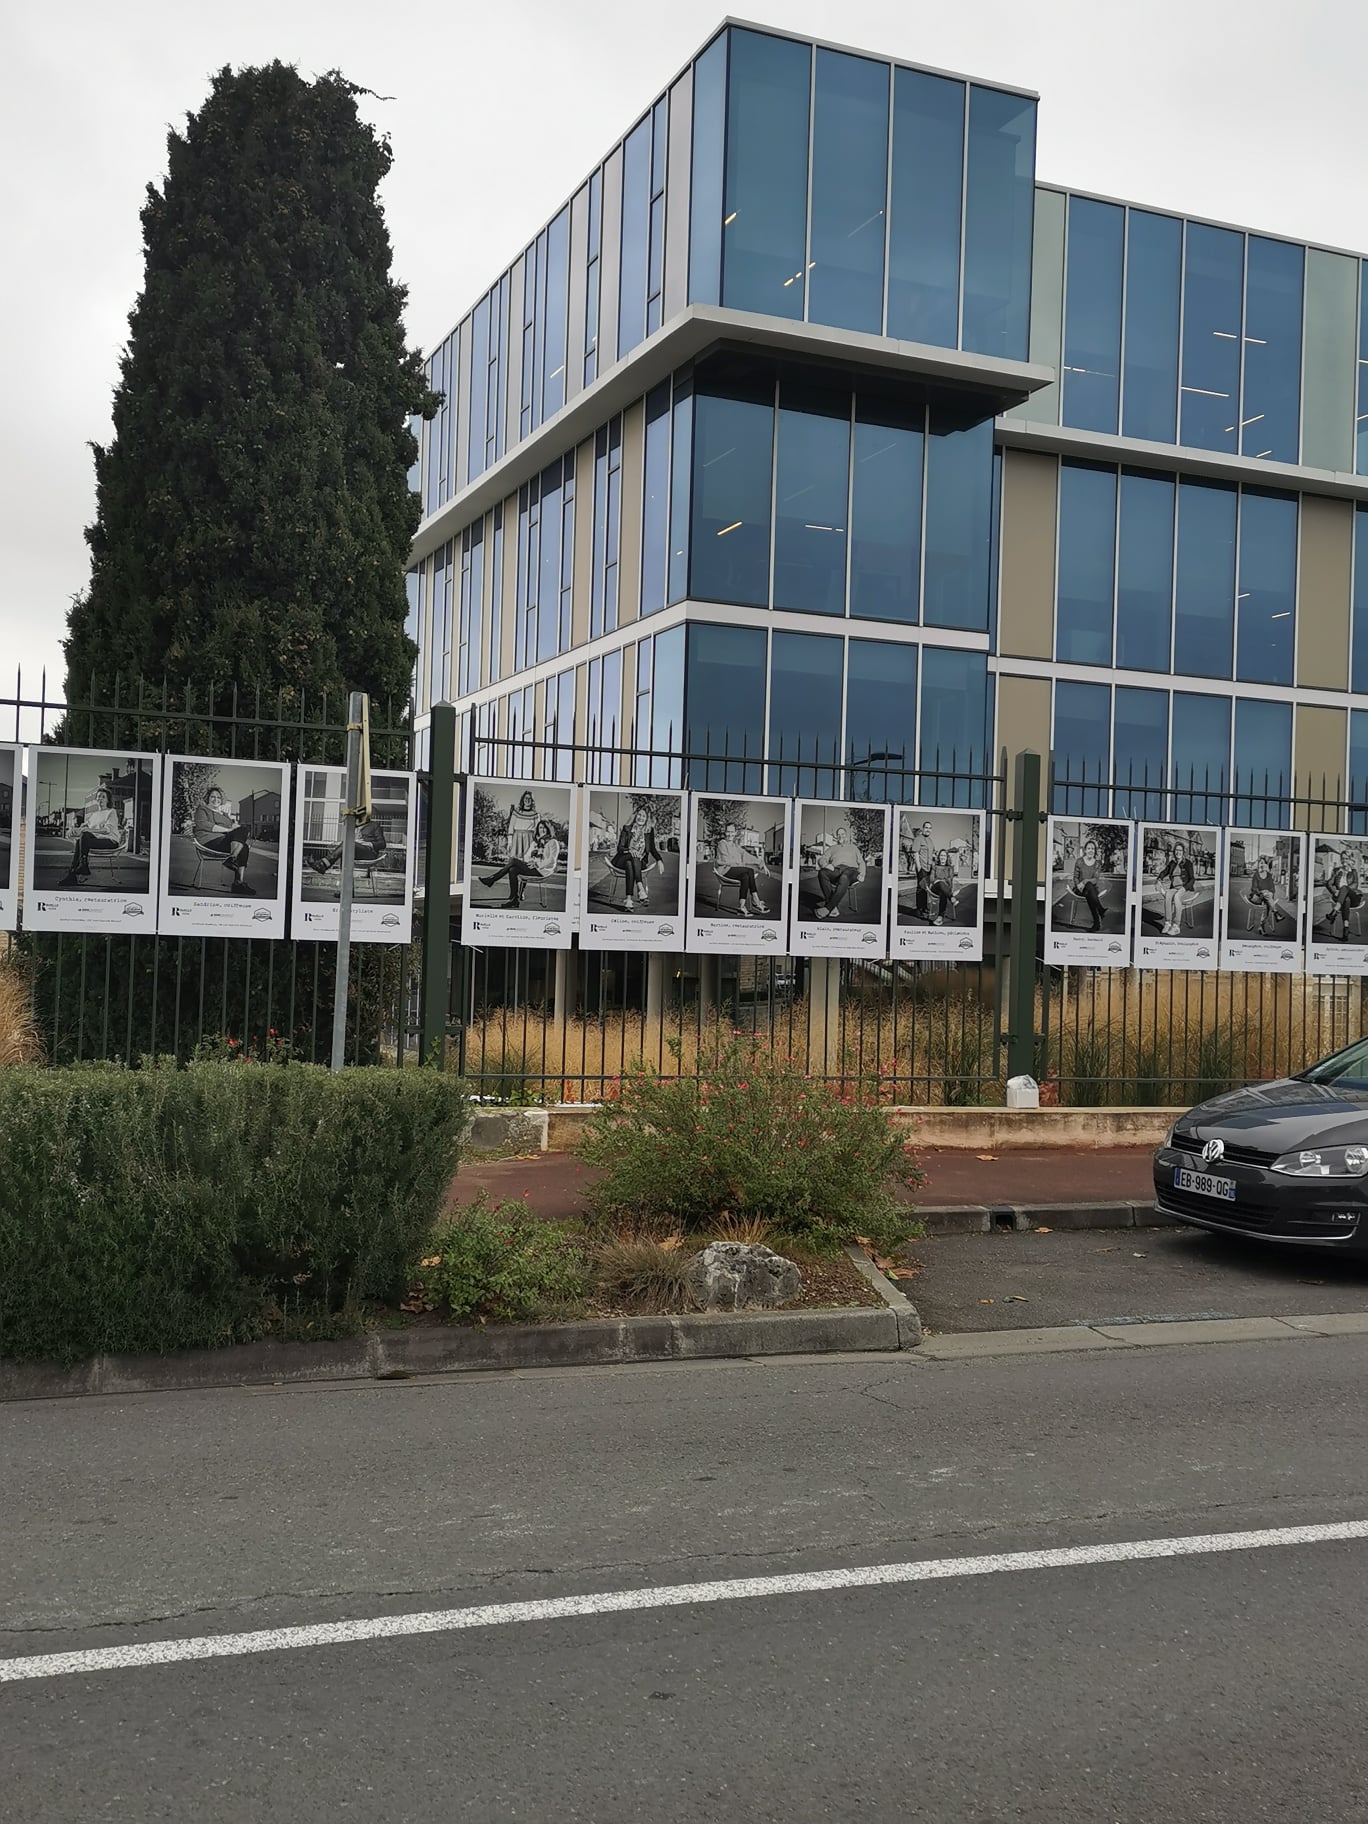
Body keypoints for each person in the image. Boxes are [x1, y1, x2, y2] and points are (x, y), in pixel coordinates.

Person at [480, 819, 561, 908]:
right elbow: (526, 856)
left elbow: (552, 860)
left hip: (543, 871)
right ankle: (514, 900)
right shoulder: (535, 843)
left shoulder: (553, 842)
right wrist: (532, 859)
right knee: (512, 870)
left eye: (545, 828)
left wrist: (537, 864)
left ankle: (492, 879)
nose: (543, 830)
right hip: (533, 867)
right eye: (541, 828)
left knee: (513, 861)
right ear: (538, 830)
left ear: (549, 829)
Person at [192, 785, 254, 895]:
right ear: (207, 798)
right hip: (209, 840)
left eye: (218, 797)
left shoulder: (224, 815)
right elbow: (203, 824)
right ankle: (232, 858)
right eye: (213, 796)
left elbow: (233, 828)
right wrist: (228, 830)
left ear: (221, 800)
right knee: (241, 842)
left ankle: (238, 882)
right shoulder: (202, 810)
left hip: (224, 840)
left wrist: (234, 827)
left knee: (243, 842)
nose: (216, 799)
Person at [56, 787, 123, 888]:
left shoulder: (111, 812)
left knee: (84, 836)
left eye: (103, 797)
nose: (100, 799)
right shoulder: (94, 815)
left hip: (110, 841)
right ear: (96, 799)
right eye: (98, 796)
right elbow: (83, 828)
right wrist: (73, 830)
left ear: (108, 800)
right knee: (81, 838)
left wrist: (89, 830)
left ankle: (79, 869)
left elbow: (107, 830)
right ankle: (79, 869)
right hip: (96, 840)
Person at [610, 806, 664, 912]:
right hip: (622, 859)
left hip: (638, 863)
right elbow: (620, 848)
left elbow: (652, 849)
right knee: (632, 857)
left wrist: (659, 860)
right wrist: (630, 850)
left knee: (630, 863)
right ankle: (641, 889)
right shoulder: (627, 828)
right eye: (639, 815)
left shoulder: (649, 831)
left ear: (647, 818)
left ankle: (628, 900)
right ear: (635, 816)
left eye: (644, 816)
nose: (641, 817)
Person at [713, 821, 769, 918]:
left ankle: (741, 907)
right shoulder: (722, 844)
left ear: (735, 833)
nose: (730, 834)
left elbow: (746, 855)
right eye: (728, 831)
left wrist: (761, 863)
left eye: (732, 832)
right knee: (749, 871)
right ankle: (756, 901)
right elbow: (727, 861)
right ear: (725, 832)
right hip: (724, 871)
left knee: (745, 876)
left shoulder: (735, 846)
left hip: (733, 871)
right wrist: (741, 864)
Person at [814, 825, 866, 920]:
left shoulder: (853, 848)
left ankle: (827, 908)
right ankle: (833, 908)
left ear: (846, 835)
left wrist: (862, 874)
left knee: (845, 876)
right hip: (837, 870)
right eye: (838, 835)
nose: (840, 836)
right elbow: (822, 859)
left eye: (842, 834)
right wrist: (826, 865)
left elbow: (861, 862)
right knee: (822, 873)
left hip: (851, 871)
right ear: (836, 837)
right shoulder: (832, 848)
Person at [312, 815, 386, 876]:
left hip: (369, 852)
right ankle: (343, 881)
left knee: (348, 844)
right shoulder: (354, 826)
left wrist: (369, 843)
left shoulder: (374, 825)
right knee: (345, 848)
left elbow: (382, 844)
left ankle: (324, 864)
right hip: (355, 850)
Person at [1157, 839, 1199, 936]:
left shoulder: (1188, 863)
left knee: (1177, 897)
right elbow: (1164, 872)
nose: (1178, 852)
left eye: (1180, 850)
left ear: (1183, 852)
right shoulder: (1172, 863)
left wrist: (1185, 888)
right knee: (1168, 895)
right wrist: (1159, 879)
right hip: (1174, 888)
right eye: (1176, 850)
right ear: (1174, 852)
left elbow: (1192, 879)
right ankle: (1167, 923)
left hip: (1185, 888)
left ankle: (1176, 926)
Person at [1070, 839, 1107, 933]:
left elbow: (1095, 879)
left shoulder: (1097, 864)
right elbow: (1075, 877)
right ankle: (1100, 911)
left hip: (1091, 889)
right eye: (1089, 848)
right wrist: (1078, 885)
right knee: (1090, 891)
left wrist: (1085, 881)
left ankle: (1097, 922)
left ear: (1095, 851)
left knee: (1089, 887)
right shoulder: (1079, 861)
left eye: (1093, 849)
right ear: (1085, 850)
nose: (1091, 851)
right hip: (1080, 889)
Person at [1245, 854, 1284, 936]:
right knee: (1267, 896)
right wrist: (1262, 892)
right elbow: (1254, 888)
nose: (1262, 865)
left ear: (1266, 865)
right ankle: (1276, 913)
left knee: (1267, 906)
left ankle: (1261, 927)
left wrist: (1269, 893)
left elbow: (1272, 889)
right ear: (1258, 865)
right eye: (1260, 863)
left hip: (1267, 898)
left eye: (1263, 863)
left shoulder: (1269, 876)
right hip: (1256, 897)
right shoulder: (1256, 875)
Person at [1329, 857, 1363, 941]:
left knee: (1344, 888)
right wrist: (1334, 891)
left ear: (1351, 864)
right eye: (1344, 863)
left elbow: (1355, 885)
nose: (1346, 865)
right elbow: (1328, 883)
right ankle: (1346, 930)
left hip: (1354, 898)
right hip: (1342, 899)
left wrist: (1343, 890)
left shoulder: (1354, 872)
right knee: (1346, 900)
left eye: (1348, 864)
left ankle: (1335, 910)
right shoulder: (1337, 871)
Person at [504, 790, 538, 862]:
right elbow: (511, 827)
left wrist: (536, 843)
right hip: (517, 838)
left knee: (527, 860)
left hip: (529, 839)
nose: (527, 800)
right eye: (526, 798)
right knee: (514, 860)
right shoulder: (516, 811)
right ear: (523, 799)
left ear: (532, 801)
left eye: (529, 798)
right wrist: (510, 842)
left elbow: (537, 829)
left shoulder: (535, 814)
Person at [929, 848, 957, 925]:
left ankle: (940, 917)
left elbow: (949, 882)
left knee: (943, 892)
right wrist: (941, 880)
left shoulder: (950, 868)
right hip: (935, 888)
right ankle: (952, 898)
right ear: (939, 857)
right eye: (941, 855)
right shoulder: (935, 866)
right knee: (941, 884)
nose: (942, 857)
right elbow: (932, 879)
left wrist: (940, 880)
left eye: (944, 856)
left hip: (944, 889)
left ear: (947, 857)